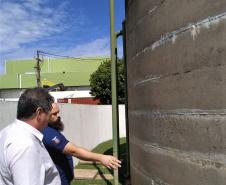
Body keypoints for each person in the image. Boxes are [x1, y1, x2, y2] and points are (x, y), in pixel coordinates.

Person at [42, 102, 121, 185]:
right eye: (54, 114)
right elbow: (73, 151)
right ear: (44, 114)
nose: (58, 116)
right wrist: (101, 158)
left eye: (58, 112)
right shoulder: (48, 133)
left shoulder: (50, 129)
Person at [0, 88, 61, 185]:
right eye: (49, 114)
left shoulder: (5, 132)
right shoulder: (26, 146)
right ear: (39, 113)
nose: (49, 119)